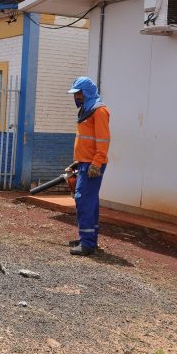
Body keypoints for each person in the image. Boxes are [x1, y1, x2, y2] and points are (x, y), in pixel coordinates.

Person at [65, 76, 111, 256]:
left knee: (83, 200)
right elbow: (88, 141)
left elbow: (103, 140)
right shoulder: (87, 109)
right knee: (89, 202)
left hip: (93, 165)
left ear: (86, 93)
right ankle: (87, 239)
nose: (76, 97)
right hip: (86, 163)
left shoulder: (99, 111)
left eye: (78, 94)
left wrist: (96, 163)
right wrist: (79, 161)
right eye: (75, 94)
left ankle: (87, 244)